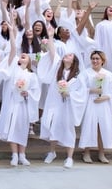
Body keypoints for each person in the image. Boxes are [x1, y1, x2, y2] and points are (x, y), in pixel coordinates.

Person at [38, 27, 87, 168]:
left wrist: (69, 94)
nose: (67, 55)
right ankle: (52, 152)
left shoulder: (78, 76)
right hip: (55, 103)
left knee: (68, 129)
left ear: (74, 61)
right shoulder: (57, 68)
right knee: (53, 126)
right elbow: (52, 51)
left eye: (70, 55)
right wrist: (51, 36)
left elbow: (82, 92)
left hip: (68, 105)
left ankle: (69, 157)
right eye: (67, 54)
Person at [0, 24, 41, 166]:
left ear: (29, 61)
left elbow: (36, 91)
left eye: (26, 56)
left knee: (22, 128)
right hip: (12, 103)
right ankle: (14, 155)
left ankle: (22, 154)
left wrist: (28, 93)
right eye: (21, 55)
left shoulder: (32, 75)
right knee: (12, 128)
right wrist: (11, 30)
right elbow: (13, 49)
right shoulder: (12, 68)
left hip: (24, 105)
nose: (23, 56)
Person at [79, 50, 112, 164]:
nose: (95, 61)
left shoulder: (109, 75)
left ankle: (101, 153)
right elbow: (79, 89)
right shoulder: (85, 73)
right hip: (91, 102)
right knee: (89, 127)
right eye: (93, 58)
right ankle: (86, 153)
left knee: (103, 128)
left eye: (97, 59)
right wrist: (91, 90)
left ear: (102, 61)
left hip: (104, 104)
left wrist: (105, 97)